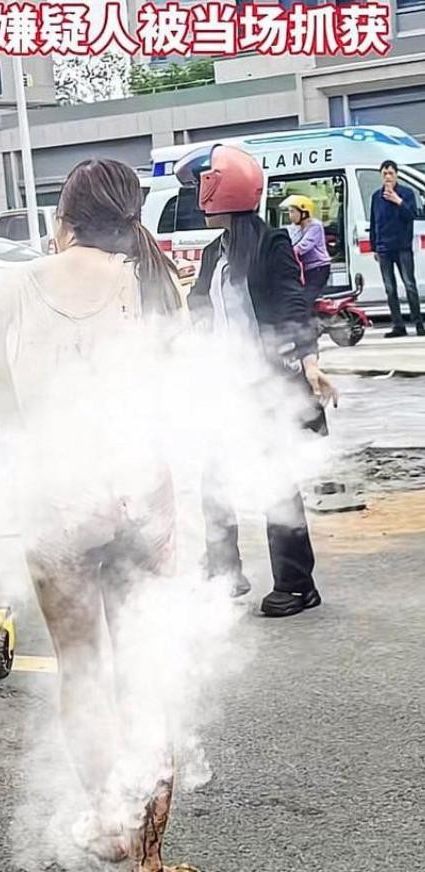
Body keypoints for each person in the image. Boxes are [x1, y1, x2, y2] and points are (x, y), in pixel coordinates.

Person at [0, 160, 194, 872]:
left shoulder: (16, 287)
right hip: (141, 501)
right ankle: (151, 853)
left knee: (80, 674)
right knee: (144, 674)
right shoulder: (155, 283)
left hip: (57, 504)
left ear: (64, 219)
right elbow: (184, 401)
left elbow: (5, 414)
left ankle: (111, 825)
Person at [175, 144, 338, 618]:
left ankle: (297, 584)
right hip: (226, 387)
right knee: (214, 481)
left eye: (204, 185)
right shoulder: (215, 252)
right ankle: (224, 573)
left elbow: (292, 305)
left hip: (267, 388)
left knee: (276, 484)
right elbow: (201, 306)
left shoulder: (271, 244)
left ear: (221, 188)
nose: (199, 195)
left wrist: (310, 363)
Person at [369, 160, 424, 338]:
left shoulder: (407, 193)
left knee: (409, 285)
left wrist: (397, 200)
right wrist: (374, 246)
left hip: (402, 247)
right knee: (390, 288)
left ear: (396, 174)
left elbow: (411, 215)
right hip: (384, 248)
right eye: (384, 174)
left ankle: (418, 323)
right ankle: (398, 325)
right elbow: (374, 222)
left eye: (391, 173)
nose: (388, 177)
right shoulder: (376, 197)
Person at [281, 194, 331, 306]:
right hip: (305, 269)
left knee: (305, 300)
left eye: (293, 212)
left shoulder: (315, 226)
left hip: (318, 269)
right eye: (289, 212)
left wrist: (290, 250)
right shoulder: (295, 227)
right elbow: (289, 240)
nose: (290, 215)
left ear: (304, 213)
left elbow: (302, 247)